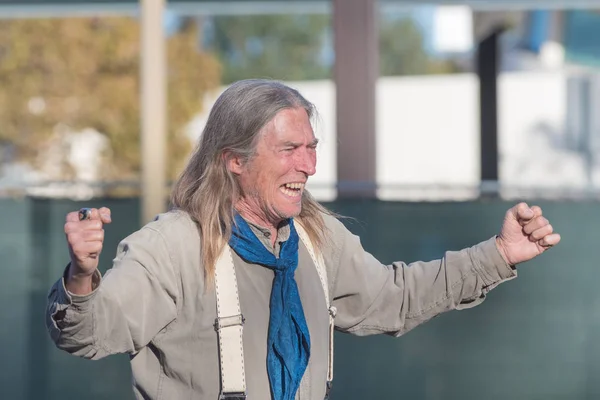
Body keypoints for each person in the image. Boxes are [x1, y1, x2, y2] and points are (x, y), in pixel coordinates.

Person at [46, 79, 561, 400]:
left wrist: (498, 254)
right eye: (290, 149)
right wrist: (82, 276)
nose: (309, 166)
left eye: (312, 148)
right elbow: (91, 334)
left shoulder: (316, 237)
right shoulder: (173, 246)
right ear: (235, 161)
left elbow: (394, 299)